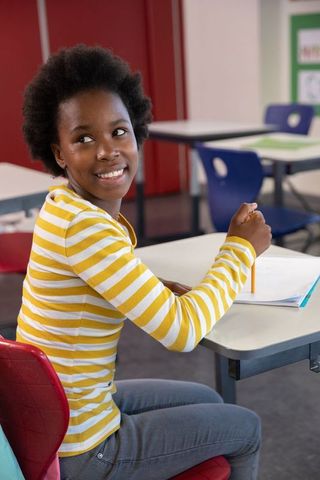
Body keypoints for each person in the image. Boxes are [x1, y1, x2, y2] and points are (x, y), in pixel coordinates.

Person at [17, 44, 272, 480]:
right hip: (81, 448)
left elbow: (91, 278)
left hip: (60, 417)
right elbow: (182, 332)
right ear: (58, 153)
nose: (107, 151)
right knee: (245, 427)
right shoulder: (85, 227)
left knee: (208, 399)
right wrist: (240, 249)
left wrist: (148, 283)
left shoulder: (63, 207)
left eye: (119, 132)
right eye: (83, 138)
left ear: (136, 134)